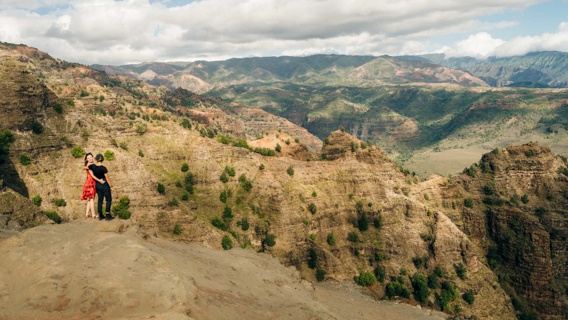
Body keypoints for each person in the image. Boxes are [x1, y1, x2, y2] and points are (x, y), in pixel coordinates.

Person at [88, 153, 115, 221]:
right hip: (104, 184)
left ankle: (100, 215)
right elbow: (107, 178)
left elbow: (86, 167)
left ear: (96, 159)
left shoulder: (93, 166)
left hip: (97, 184)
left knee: (100, 200)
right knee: (108, 199)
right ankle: (107, 214)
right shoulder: (103, 168)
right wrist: (111, 186)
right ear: (102, 160)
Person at [80, 153, 97, 218]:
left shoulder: (89, 164)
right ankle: (93, 214)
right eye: (88, 158)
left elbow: (83, 167)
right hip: (90, 182)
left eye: (91, 157)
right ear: (86, 159)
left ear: (92, 157)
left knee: (90, 199)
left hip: (88, 182)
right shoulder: (90, 164)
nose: (90, 158)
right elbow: (92, 175)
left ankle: (87, 214)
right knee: (92, 198)